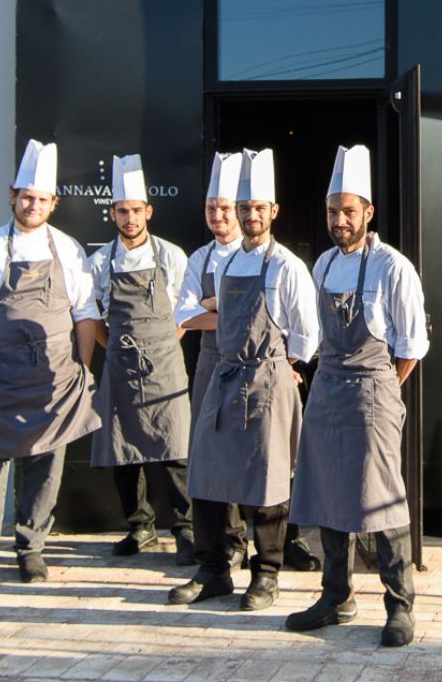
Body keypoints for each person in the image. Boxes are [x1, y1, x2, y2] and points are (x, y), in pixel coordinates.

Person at [0, 139, 100, 596]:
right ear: (11, 196)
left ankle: (31, 548)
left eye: (41, 199)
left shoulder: (68, 250)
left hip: (52, 379)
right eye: (26, 197)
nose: (33, 205)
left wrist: (83, 371)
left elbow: (84, 313)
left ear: (54, 203)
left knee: (46, 464)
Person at [286, 144, 427, 648]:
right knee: (326, 493)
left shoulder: (393, 267)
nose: (339, 220)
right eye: (332, 211)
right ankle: (335, 596)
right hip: (327, 392)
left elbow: (410, 348)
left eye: (349, 211)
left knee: (382, 499)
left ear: (368, 212)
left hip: (371, 392)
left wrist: (379, 389)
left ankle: (399, 604)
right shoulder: (321, 265)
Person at [172, 148, 320, 611]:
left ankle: (267, 573)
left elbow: (309, 332)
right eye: (244, 208)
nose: (250, 215)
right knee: (208, 472)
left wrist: (283, 362)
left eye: (258, 208)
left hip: (269, 380)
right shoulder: (224, 264)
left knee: (270, 477)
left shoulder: (287, 266)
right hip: (223, 375)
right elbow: (190, 314)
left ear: (273, 212)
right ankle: (214, 568)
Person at [86, 154, 193, 562]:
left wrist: (163, 343)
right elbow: (90, 315)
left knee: (175, 451)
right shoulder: (98, 262)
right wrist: (113, 347)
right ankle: (140, 526)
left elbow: (184, 312)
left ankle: (185, 528)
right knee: (123, 453)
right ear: (112, 213)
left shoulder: (171, 256)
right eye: (122, 211)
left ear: (148, 211)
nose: (130, 218)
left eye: (136, 210)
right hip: (120, 363)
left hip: (165, 362)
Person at [173, 151, 248, 573]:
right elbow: (184, 316)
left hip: (251, 364)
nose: (217, 216)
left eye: (224, 208)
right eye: (211, 208)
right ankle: (222, 543)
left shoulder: (259, 255)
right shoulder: (198, 259)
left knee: (248, 451)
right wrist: (230, 312)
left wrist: (212, 307)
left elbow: (269, 314)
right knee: (209, 453)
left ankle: (267, 543)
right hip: (209, 365)